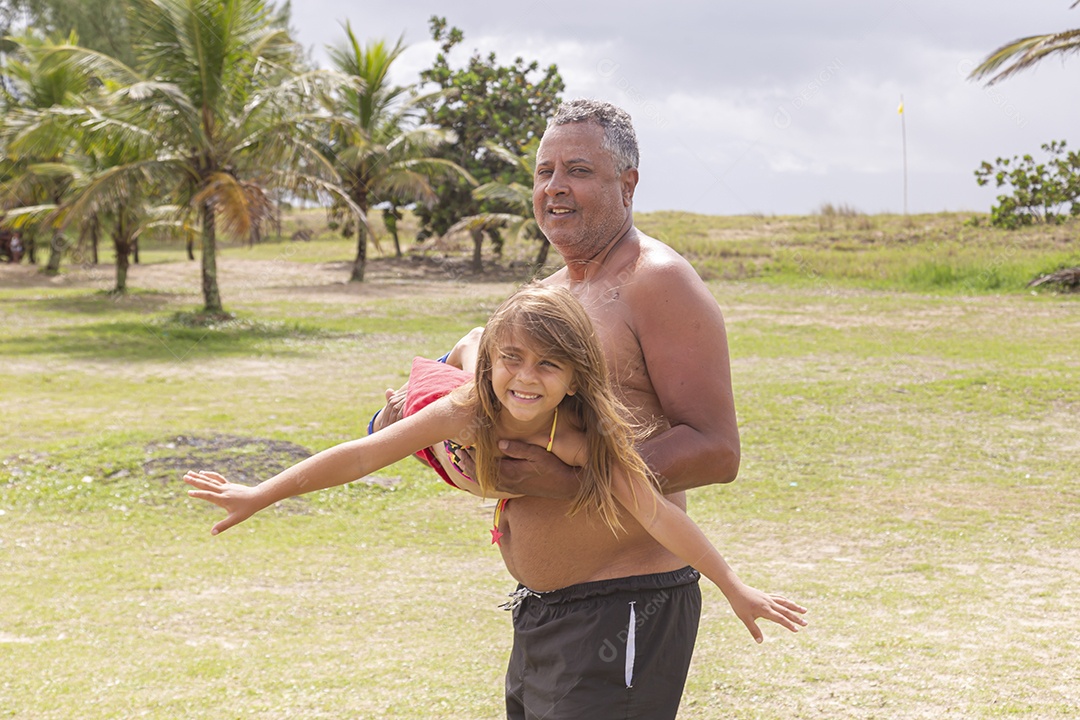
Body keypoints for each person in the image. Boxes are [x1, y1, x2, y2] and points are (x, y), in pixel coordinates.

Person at [184, 286, 806, 704]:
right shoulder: (471, 403)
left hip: (599, 607)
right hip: (449, 414)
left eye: (549, 366)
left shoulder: (579, 438)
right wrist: (258, 493)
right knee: (453, 366)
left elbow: (656, 512)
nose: (527, 379)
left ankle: (475, 340)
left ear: (575, 380)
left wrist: (733, 586)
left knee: (474, 360)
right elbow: (365, 453)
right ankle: (471, 342)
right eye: (513, 360)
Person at [370, 100, 759, 718]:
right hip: (543, 611)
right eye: (543, 171)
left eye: (578, 170)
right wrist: (404, 426)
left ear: (627, 184)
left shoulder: (657, 282)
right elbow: (479, 406)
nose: (554, 187)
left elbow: (716, 448)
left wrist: (574, 482)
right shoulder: (544, 299)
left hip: (624, 604)